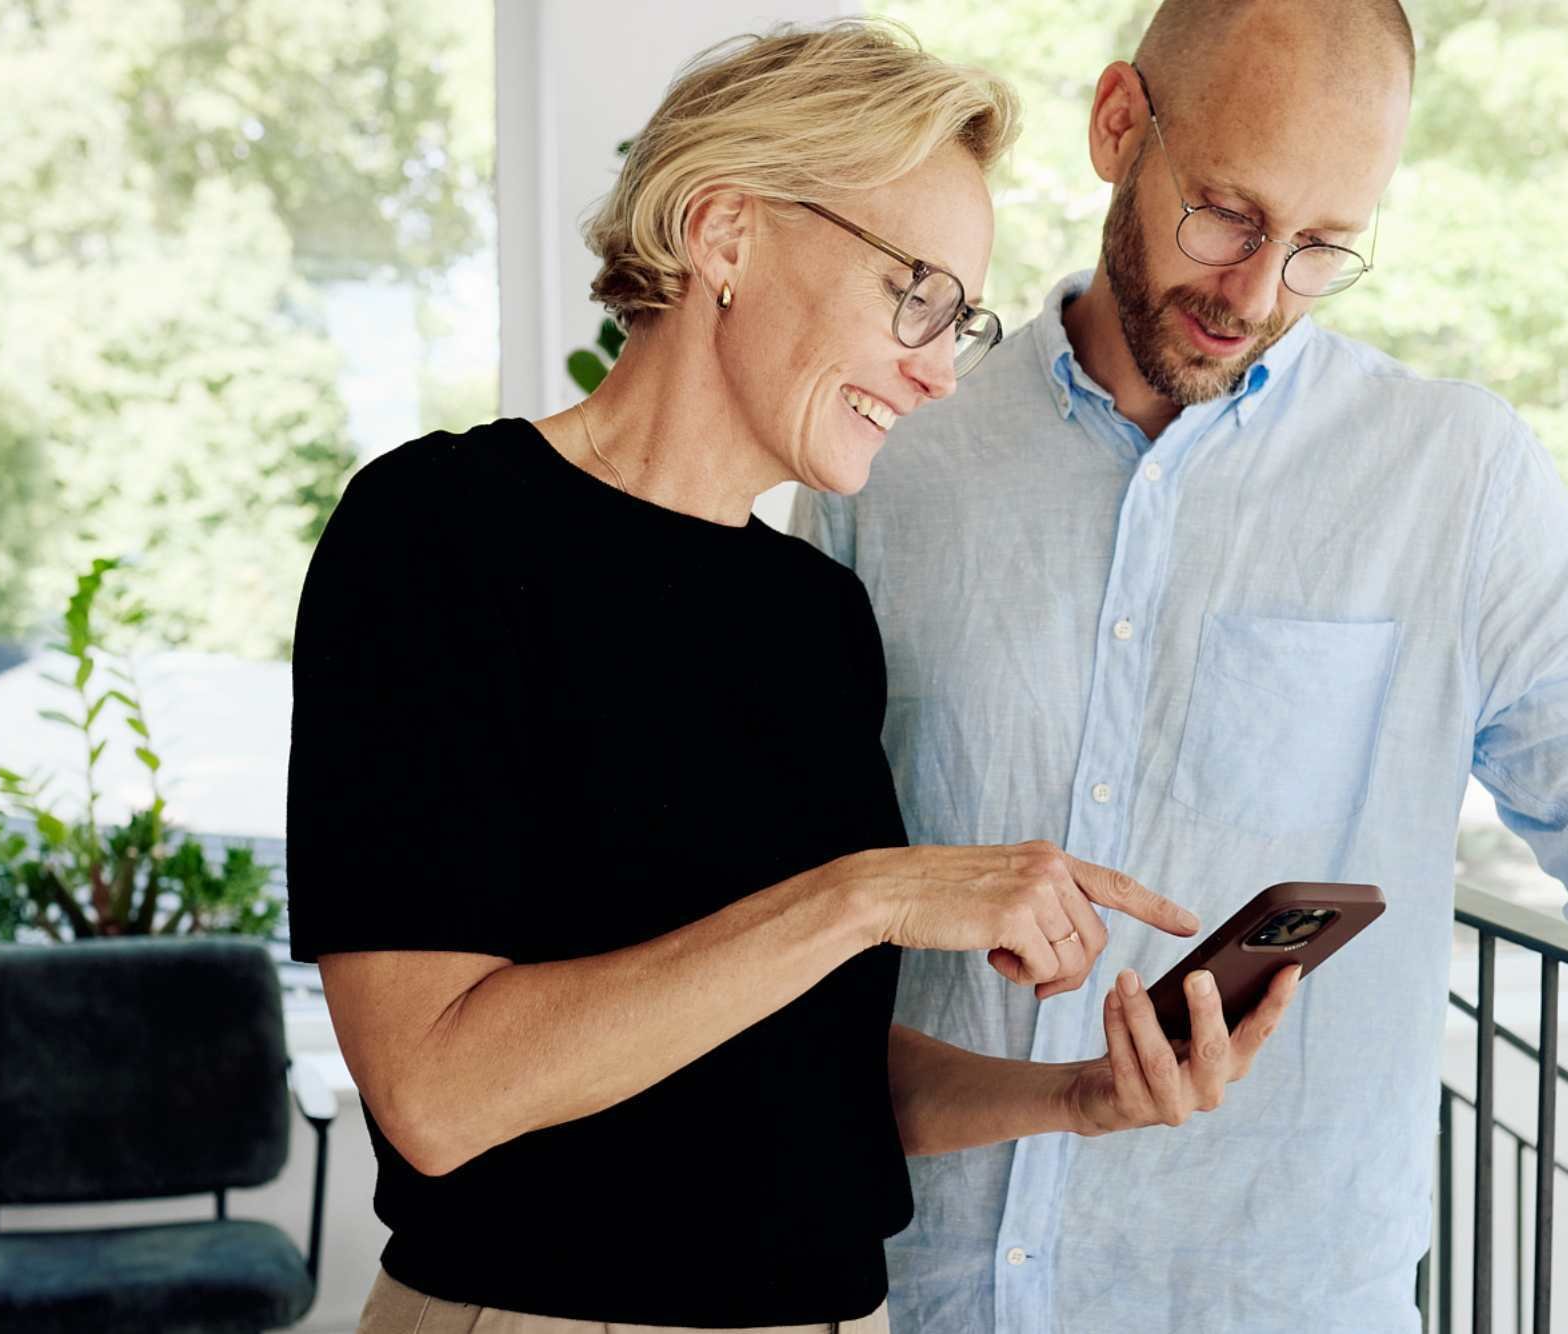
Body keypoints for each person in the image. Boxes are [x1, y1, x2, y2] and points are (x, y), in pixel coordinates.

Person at [286, 21, 1301, 1334]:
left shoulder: (814, 616)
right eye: (916, 290)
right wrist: (873, 893)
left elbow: (796, 1076)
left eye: (962, 320)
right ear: (725, 231)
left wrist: (1069, 1100)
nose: (940, 371)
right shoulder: (438, 535)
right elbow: (436, 1090)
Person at [793, 2, 1568, 1331]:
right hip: (912, 1295)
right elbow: (792, 903)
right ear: (1120, 126)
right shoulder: (896, 446)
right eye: (1227, 215)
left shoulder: (1453, 478)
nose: (1255, 293)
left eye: (1320, 250)